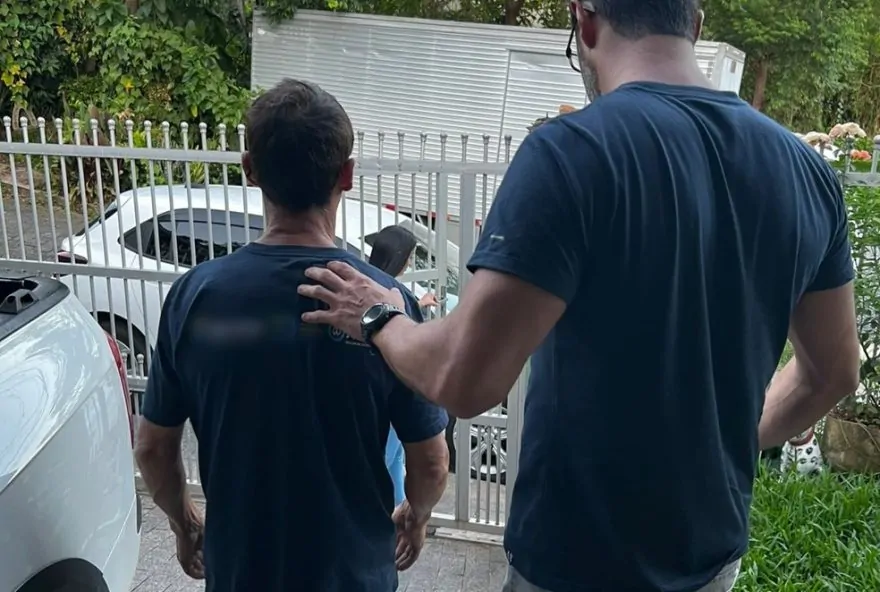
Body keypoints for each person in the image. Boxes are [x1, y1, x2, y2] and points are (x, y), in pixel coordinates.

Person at [296, 1, 861, 591]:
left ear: (585, 22)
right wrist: (727, 438)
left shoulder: (574, 152)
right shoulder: (806, 172)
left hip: (575, 563)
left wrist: (378, 315)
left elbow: (463, 377)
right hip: (710, 561)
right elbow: (833, 372)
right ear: (693, 27)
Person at [134, 79, 449, 592]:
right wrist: (416, 516)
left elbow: (152, 449)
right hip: (354, 576)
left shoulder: (194, 298)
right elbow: (431, 460)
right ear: (347, 174)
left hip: (241, 573)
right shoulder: (385, 306)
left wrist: (186, 525)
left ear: (250, 169)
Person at [368, 225, 438, 505]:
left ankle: (396, 509)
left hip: (376, 390)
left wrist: (419, 304)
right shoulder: (395, 292)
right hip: (394, 388)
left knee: (395, 460)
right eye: (410, 256)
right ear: (401, 257)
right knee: (387, 460)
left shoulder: (365, 283)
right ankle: (387, 513)